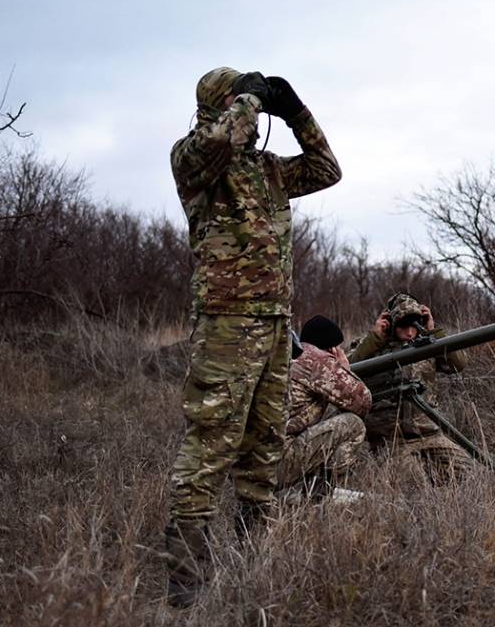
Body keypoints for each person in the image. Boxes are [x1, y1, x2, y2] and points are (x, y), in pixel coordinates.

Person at [164, 67, 341, 608]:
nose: (254, 108)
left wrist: (295, 113)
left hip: (272, 325)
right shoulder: (194, 160)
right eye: (242, 99)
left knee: (263, 448)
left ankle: (252, 568)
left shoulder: (267, 170)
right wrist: (247, 99)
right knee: (210, 444)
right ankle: (186, 586)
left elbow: (327, 169)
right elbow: (216, 139)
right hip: (225, 322)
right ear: (221, 104)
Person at [349, 292, 471, 482]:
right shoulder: (370, 346)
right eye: (403, 326)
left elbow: (458, 365)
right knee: (412, 481)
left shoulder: (427, 344)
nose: (409, 333)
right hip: (392, 439)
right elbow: (345, 370)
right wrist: (374, 339)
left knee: (468, 474)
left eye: (414, 326)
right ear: (390, 323)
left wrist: (434, 331)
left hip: (429, 434)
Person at [279, 315, 371, 498]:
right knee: (353, 424)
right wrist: (344, 368)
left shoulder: (288, 354)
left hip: (258, 462)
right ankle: (319, 494)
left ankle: (296, 493)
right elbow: (363, 401)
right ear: (332, 348)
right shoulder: (317, 360)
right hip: (281, 463)